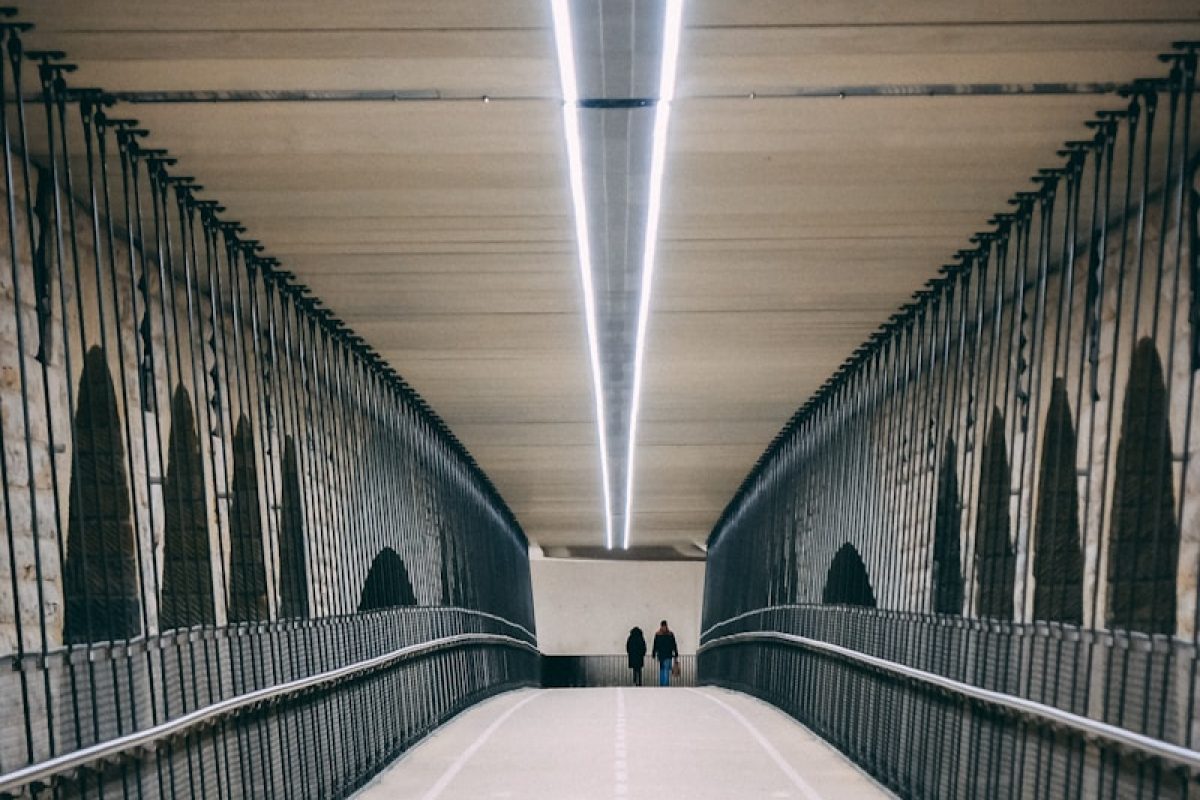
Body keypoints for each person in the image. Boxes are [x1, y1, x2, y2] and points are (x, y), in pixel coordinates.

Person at [652, 620, 678, 686]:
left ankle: (662, 683)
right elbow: (674, 644)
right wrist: (675, 652)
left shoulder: (658, 634)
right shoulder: (670, 634)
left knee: (662, 669)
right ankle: (665, 684)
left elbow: (655, 645)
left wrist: (654, 653)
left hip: (661, 654)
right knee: (666, 669)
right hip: (668, 654)